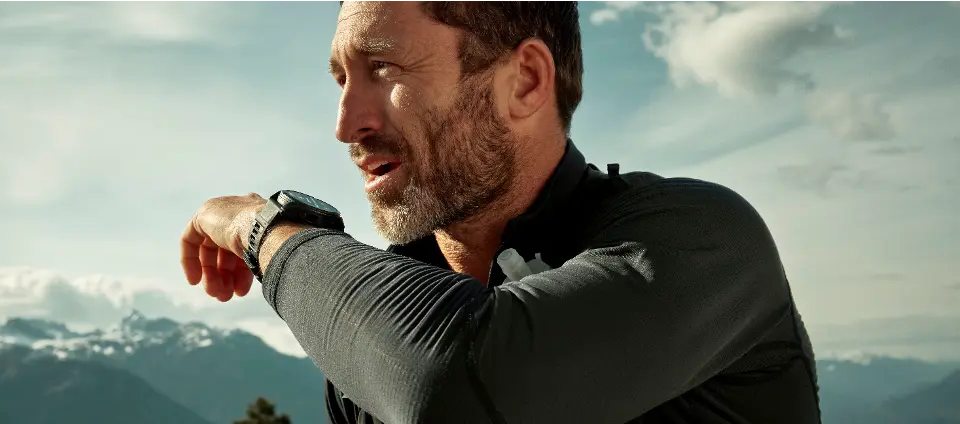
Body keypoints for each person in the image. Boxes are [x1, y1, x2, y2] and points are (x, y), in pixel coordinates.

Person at [178, 0, 822, 422]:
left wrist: (264, 229)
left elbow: (451, 384)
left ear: (526, 82)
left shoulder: (702, 241)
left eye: (382, 66)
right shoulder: (373, 328)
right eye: (342, 79)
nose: (347, 124)